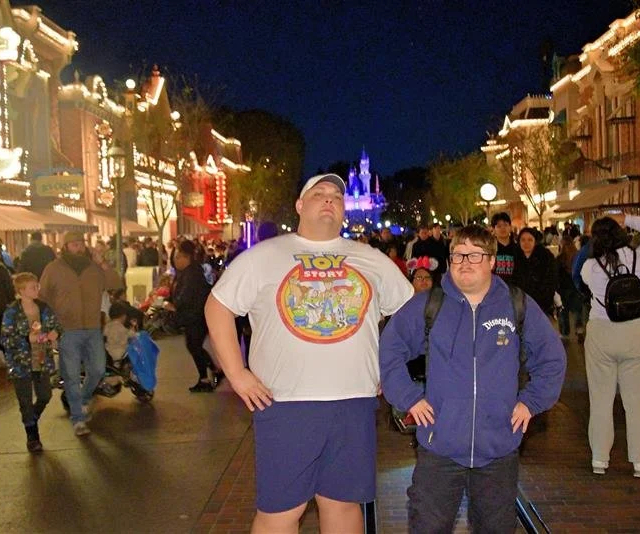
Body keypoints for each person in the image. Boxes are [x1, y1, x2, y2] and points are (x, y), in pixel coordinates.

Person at [205, 173, 413, 533]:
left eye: (337, 195)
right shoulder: (264, 256)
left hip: (354, 401)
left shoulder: (371, 259)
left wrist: (389, 367)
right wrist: (237, 374)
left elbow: (409, 314)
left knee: (343, 505)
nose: (330, 199)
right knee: (281, 511)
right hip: (286, 402)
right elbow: (218, 306)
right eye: (319, 194)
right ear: (300, 206)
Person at [380, 224, 566, 533]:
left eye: (475, 255)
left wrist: (531, 402)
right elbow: (390, 348)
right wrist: (409, 397)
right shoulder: (430, 304)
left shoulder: (516, 304)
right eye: (458, 255)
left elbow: (552, 358)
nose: (465, 262)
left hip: (498, 449)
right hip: (439, 447)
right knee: (428, 527)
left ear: (492, 261)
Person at [581, 213, 640, 478]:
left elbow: (583, 282)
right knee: (635, 401)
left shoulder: (591, 267)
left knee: (600, 399)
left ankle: (599, 459)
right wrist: (626, 217)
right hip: (635, 333)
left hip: (601, 333)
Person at [39, 231, 122, 437]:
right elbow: (43, 297)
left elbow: (116, 284)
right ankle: (78, 418)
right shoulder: (53, 269)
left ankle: (84, 399)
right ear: (65, 246)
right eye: (74, 244)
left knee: (98, 370)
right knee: (71, 375)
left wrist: (102, 263)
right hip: (66, 330)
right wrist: (49, 326)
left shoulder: (94, 268)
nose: (78, 247)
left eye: (80, 244)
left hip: (92, 328)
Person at [0, 273, 61, 453]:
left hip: (41, 359)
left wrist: (55, 333)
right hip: (21, 363)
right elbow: (5, 338)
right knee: (25, 400)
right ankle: (32, 436)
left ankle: (31, 418)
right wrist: (27, 339)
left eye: (37, 286)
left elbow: (56, 325)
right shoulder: (12, 312)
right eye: (33, 287)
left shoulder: (43, 308)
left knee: (45, 395)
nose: (37, 290)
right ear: (21, 291)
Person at [164, 240, 214, 392]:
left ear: (186, 257)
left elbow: (185, 296)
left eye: (177, 257)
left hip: (196, 316)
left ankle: (206, 378)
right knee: (194, 345)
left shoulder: (192, 274)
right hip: (194, 316)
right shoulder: (187, 272)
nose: (175, 260)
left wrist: (173, 305)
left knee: (194, 346)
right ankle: (213, 372)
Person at [512, 227, 558, 317]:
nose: (526, 243)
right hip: (521, 305)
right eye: (523, 240)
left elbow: (552, 280)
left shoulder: (545, 257)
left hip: (542, 305)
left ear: (535, 241)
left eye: (530, 240)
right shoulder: (515, 257)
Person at [491, 212, 517, 283]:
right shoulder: (490, 249)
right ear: (493, 229)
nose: (503, 228)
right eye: (499, 226)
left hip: (515, 287)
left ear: (510, 227)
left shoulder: (518, 249)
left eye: (505, 225)